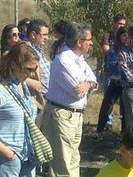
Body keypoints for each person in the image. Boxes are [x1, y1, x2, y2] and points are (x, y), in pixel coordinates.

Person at [42, 22, 98, 177]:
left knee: (73, 158)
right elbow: (77, 92)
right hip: (62, 115)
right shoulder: (63, 61)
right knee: (62, 162)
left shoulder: (79, 60)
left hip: (74, 115)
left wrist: (88, 83)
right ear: (79, 42)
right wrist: (89, 84)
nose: (91, 43)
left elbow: (94, 81)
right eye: (89, 39)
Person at [0, 43, 39, 177]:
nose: (32, 74)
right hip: (4, 160)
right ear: (14, 65)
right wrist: (8, 154)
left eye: (35, 69)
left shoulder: (23, 86)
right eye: (28, 69)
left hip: (26, 156)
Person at [95, 27, 128, 137]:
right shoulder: (114, 49)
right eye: (123, 35)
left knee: (125, 108)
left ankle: (124, 134)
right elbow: (111, 66)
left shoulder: (131, 49)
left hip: (127, 84)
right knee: (107, 105)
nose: (126, 37)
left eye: (128, 35)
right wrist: (123, 66)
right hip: (115, 82)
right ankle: (99, 130)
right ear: (119, 37)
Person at [100, 14, 127, 129]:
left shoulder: (126, 35)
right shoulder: (108, 36)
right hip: (109, 71)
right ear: (114, 23)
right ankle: (108, 122)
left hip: (124, 76)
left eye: (123, 24)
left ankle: (123, 125)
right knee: (108, 99)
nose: (121, 26)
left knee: (124, 101)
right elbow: (106, 51)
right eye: (119, 23)